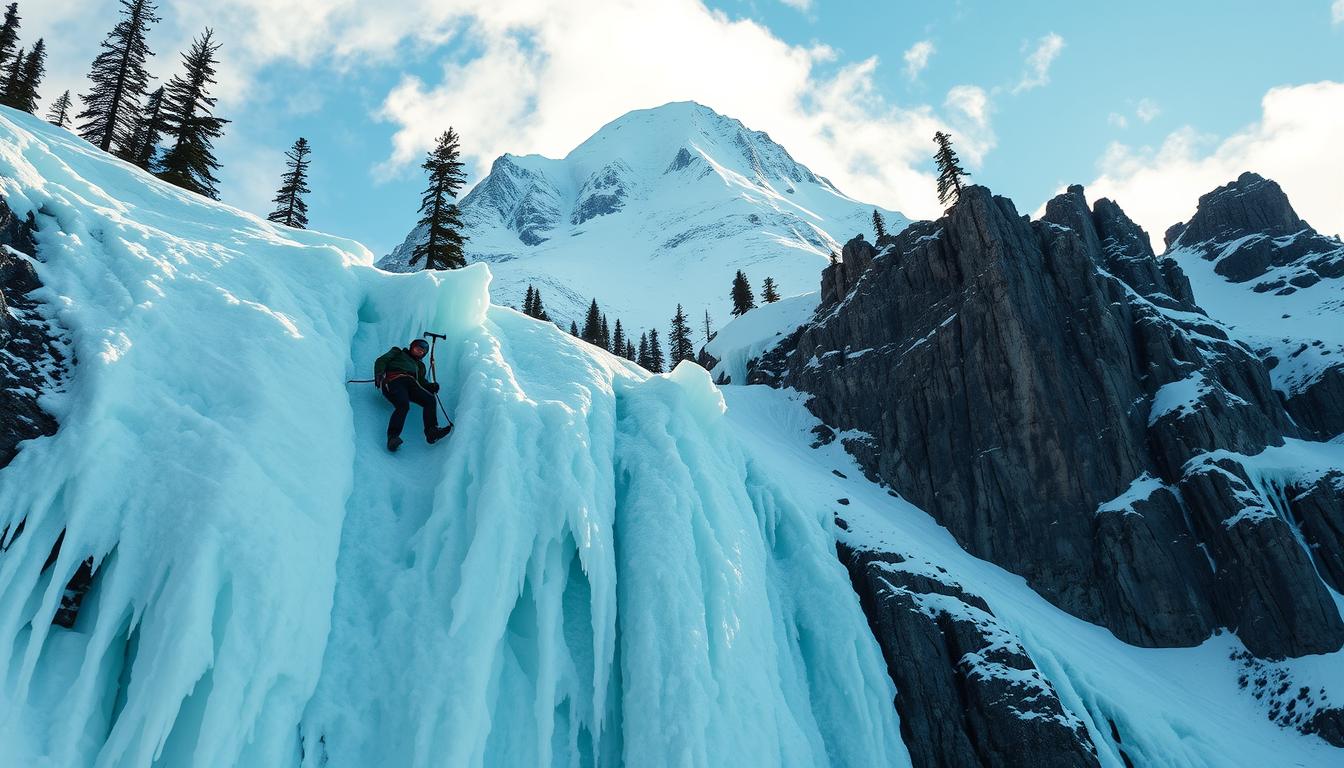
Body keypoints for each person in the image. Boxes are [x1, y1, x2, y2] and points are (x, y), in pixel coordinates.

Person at [374, 339, 452, 452]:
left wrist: (430, 386)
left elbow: (421, 381)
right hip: (395, 380)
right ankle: (392, 437)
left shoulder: (419, 366)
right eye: (417, 349)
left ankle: (431, 432)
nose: (419, 352)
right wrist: (379, 373)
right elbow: (382, 360)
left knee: (429, 400)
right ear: (411, 347)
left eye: (422, 352)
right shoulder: (398, 352)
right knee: (403, 405)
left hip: (411, 384)